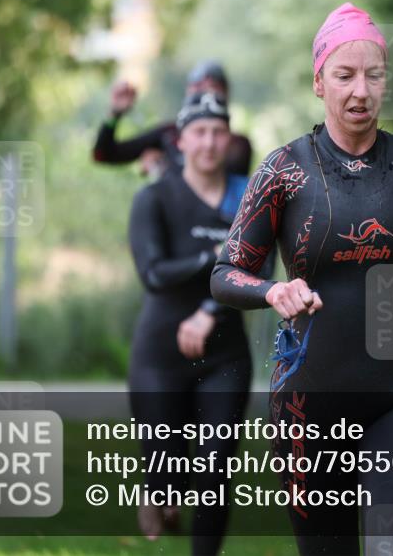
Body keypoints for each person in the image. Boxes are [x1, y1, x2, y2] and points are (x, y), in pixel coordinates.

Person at [209, 3, 393, 555]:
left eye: (373, 74)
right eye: (344, 75)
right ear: (319, 81)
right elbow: (226, 273)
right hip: (307, 406)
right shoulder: (284, 171)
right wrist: (273, 290)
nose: (359, 91)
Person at [127, 91, 255, 555]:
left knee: (215, 467)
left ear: (229, 138)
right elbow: (154, 274)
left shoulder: (247, 199)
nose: (209, 142)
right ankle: (158, 490)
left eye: (218, 132)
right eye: (199, 132)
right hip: (159, 356)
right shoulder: (155, 198)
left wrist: (208, 310)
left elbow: (257, 271)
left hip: (224, 354)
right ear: (180, 141)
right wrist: (215, 258)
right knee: (167, 473)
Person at [94, 60, 254, 178]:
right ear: (181, 142)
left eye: (213, 90)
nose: (209, 143)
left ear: (225, 95)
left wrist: (162, 168)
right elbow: (103, 154)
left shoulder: (237, 144)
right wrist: (115, 114)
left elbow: (214, 184)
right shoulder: (169, 133)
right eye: (198, 89)